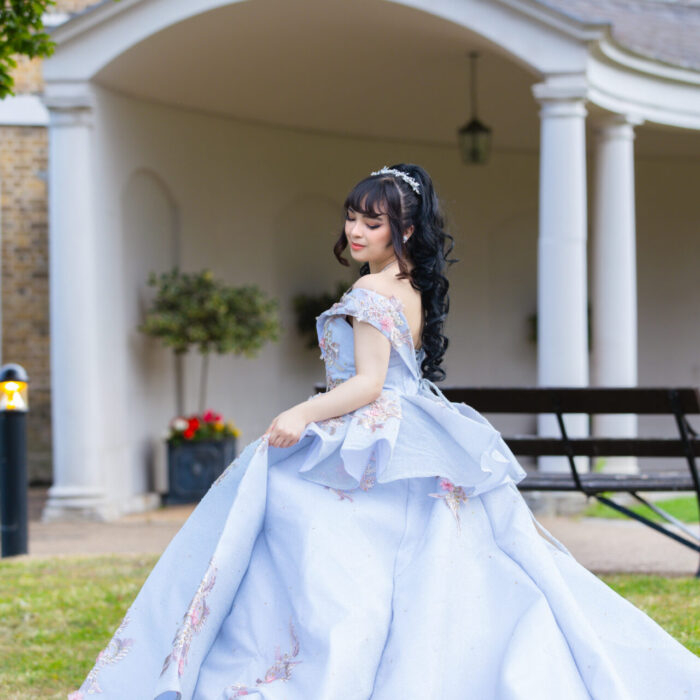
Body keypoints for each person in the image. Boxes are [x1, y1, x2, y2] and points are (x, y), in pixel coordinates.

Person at [68, 164, 700, 700]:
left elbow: (369, 383)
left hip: (374, 428)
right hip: (404, 427)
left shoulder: (374, 289)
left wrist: (300, 414)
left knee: (305, 537)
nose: (355, 230)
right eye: (352, 218)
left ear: (405, 229)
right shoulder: (408, 285)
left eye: (372, 222)